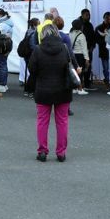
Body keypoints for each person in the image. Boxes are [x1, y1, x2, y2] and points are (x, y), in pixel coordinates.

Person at [28, 24, 73, 162]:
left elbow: (32, 69)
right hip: (63, 90)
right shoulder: (64, 48)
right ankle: (61, 152)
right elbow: (70, 65)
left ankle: (42, 151)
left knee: (42, 121)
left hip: (43, 90)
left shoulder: (37, 50)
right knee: (62, 122)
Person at [69, 19, 90, 95]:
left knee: (74, 72)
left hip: (72, 55)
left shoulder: (70, 33)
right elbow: (84, 49)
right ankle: (80, 89)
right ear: (81, 26)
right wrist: (87, 59)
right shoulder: (81, 35)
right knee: (80, 72)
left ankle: (74, 88)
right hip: (80, 55)